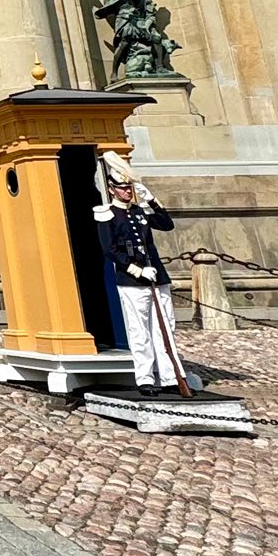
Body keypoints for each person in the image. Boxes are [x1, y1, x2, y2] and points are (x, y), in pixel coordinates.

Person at [93, 152, 190, 395]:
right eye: (123, 188)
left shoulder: (140, 211)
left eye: (129, 188)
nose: (127, 192)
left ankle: (171, 377)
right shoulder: (107, 215)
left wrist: (152, 200)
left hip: (157, 277)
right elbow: (110, 250)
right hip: (132, 280)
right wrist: (137, 270)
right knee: (140, 331)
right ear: (112, 189)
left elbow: (166, 224)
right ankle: (145, 378)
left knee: (165, 328)